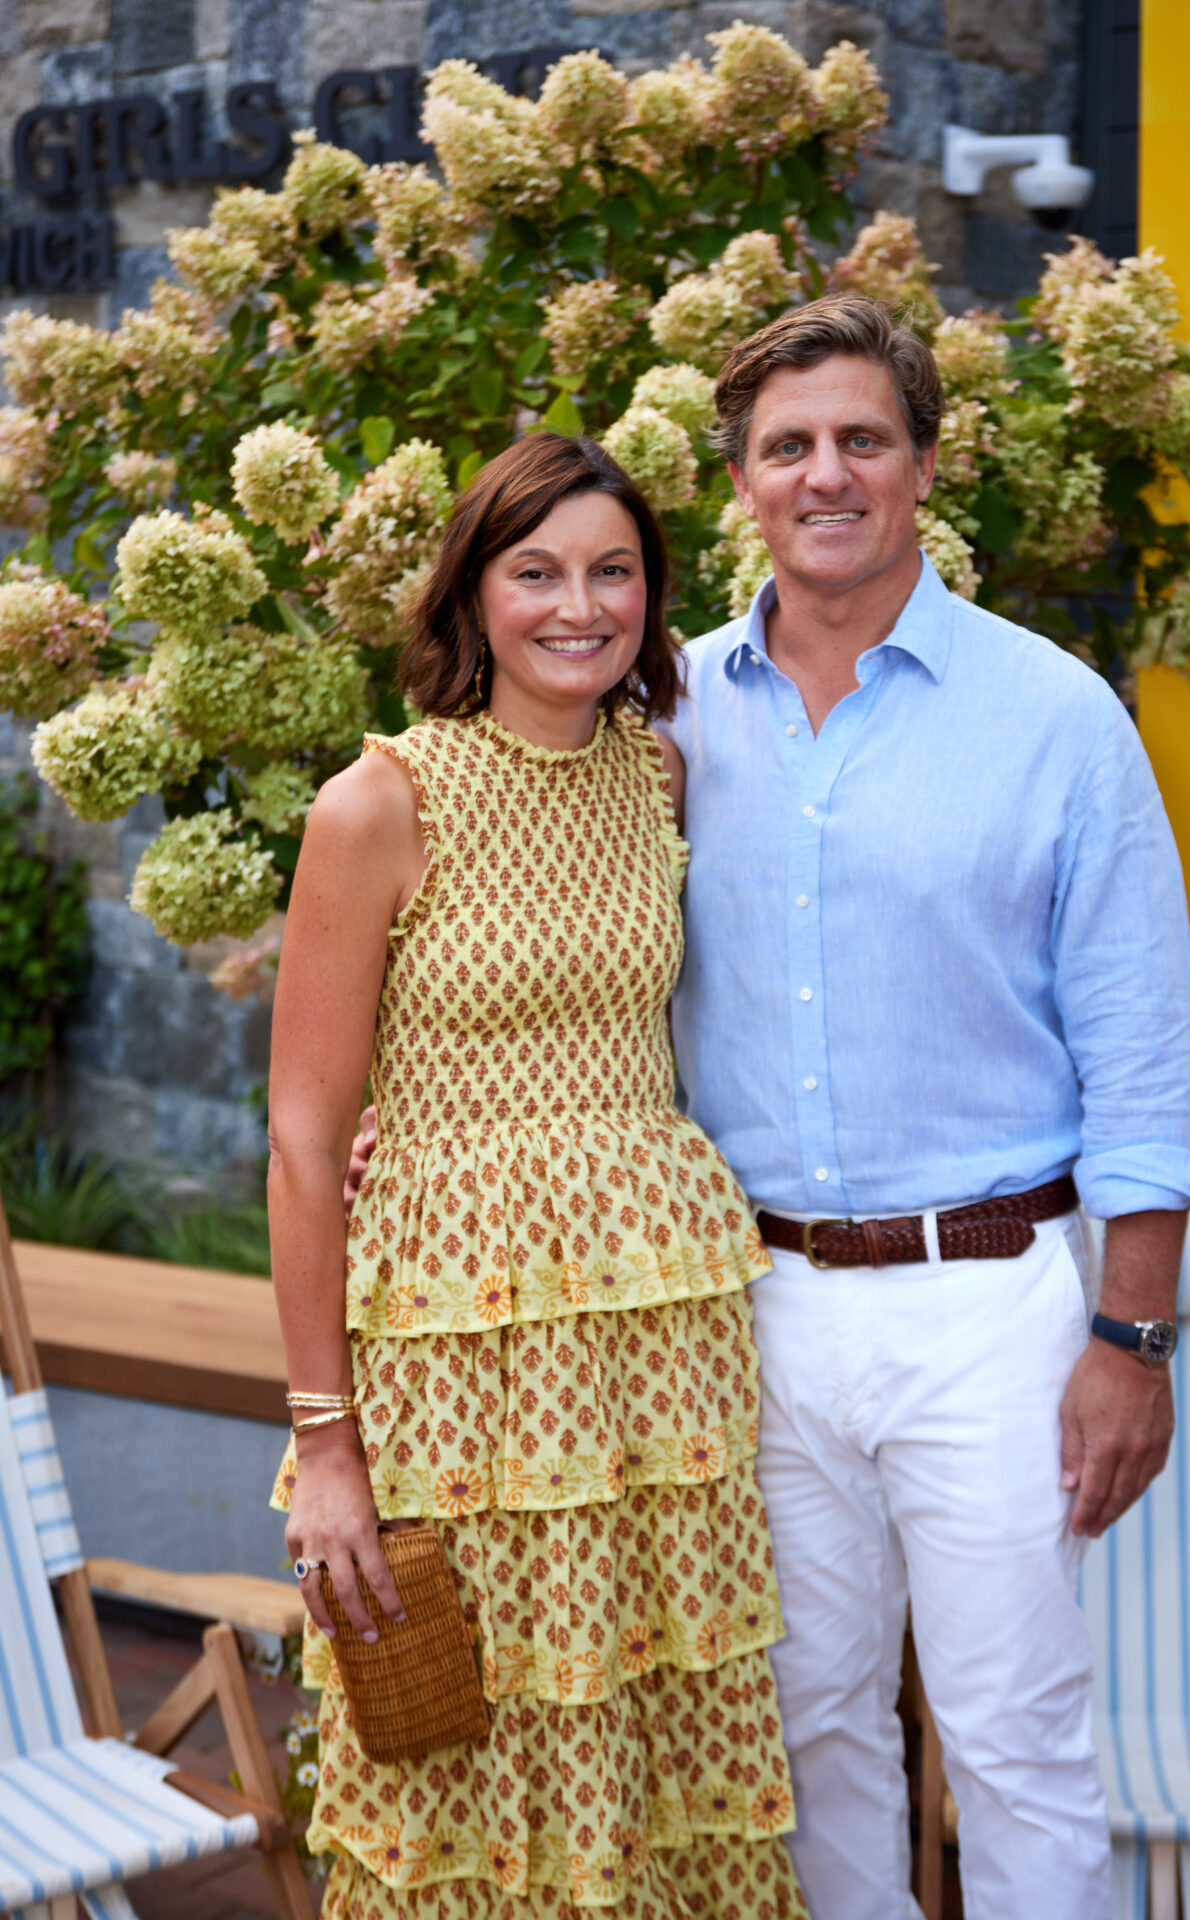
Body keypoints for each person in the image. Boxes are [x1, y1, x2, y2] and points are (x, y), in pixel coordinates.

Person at [655, 294, 1190, 1920]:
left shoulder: (1057, 718)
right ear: (740, 480)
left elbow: (1142, 1061)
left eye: (863, 439)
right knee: (807, 1735)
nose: (826, 474)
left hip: (991, 1307)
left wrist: (1131, 1344)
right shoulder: (664, 718)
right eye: (788, 446)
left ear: (921, 465)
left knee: (1015, 1748)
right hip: (754, 1309)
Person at [268, 433, 807, 1920]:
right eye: (538, 572)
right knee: (461, 1736)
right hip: (458, 1363)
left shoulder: (662, 776)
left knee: (656, 1735)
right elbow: (305, 1142)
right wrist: (325, 1444)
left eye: (613, 571)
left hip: (657, 1352)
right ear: (473, 594)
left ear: (651, 593)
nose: (581, 607)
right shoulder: (378, 805)